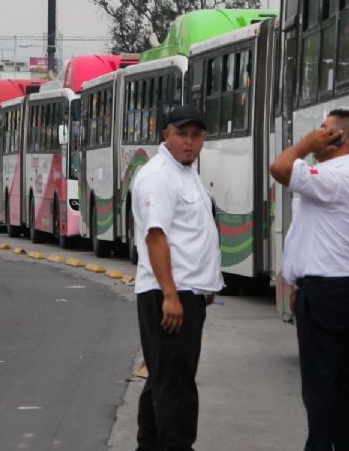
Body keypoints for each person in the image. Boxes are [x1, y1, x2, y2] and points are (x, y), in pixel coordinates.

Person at [269, 109, 349, 451]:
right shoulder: (347, 177)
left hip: (329, 292)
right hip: (347, 287)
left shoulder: (336, 177)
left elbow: (280, 168)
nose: (318, 133)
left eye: (325, 130)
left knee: (321, 386)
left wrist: (305, 144)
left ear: (339, 139)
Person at [131, 104, 224, 451]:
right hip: (168, 294)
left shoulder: (186, 173)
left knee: (163, 379)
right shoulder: (159, 175)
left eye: (196, 135)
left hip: (187, 292)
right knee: (176, 386)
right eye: (182, 134)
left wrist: (206, 286)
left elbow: (192, 235)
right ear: (165, 135)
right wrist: (170, 294)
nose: (189, 141)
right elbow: (157, 237)